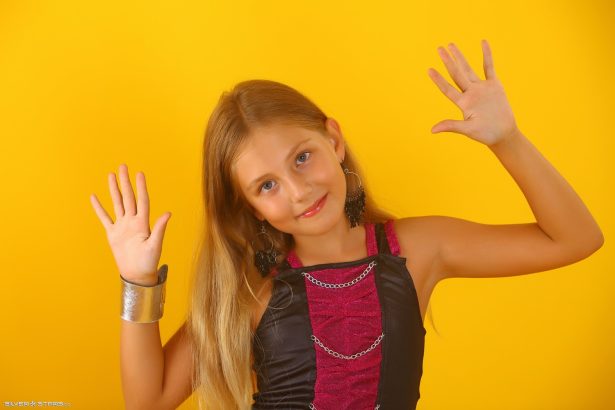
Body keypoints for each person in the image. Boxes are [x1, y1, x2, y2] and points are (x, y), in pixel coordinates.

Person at [90, 39, 604, 410]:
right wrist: (138, 280)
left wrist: (507, 140)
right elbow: (147, 401)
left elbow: (576, 239)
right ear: (251, 207)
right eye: (266, 185)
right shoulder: (249, 290)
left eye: (302, 158)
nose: (298, 191)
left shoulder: (418, 249)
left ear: (334, 141)